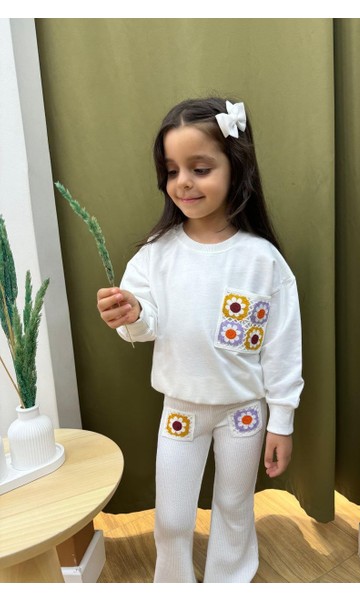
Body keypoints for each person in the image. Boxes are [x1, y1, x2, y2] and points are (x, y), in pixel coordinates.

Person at [97, 97, 304, 583]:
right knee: (172, 518)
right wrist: (131, 314)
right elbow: (144, 324)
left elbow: (282, 348)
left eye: (200, 168)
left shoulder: (263, 261)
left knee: (234, 506)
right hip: (181, 408)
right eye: (172, 171)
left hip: (244, 411)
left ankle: (229, 583)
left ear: (236, 169)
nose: (183, 182)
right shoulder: (155, 255)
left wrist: (282, 421)